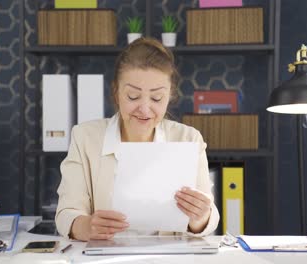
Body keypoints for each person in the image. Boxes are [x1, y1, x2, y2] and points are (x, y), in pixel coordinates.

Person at [55, 37, 219, 241]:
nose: (144, 108)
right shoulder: (85, 137)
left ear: (169, 95)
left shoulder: (188, 138)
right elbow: (65, 214)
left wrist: (200, 216)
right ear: (116, 92)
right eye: (133, 96)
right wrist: (87, 226)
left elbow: (209, 218)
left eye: (157, 98)